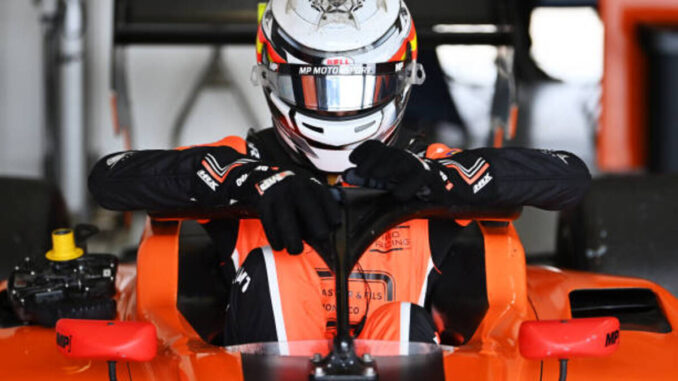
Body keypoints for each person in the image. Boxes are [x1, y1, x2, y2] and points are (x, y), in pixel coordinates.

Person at [88, 0, 590, 348]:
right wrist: (257, 183)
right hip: (255, 358)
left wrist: (441, 180)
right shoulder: (243, 160)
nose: (336, 112)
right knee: (274, 273)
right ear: (272, 79)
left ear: (403, 78)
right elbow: (111, 177)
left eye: (359, 88)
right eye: (315, 90)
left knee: (403, 322)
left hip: (407, 354)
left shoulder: (426, 166)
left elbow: (568, 177)